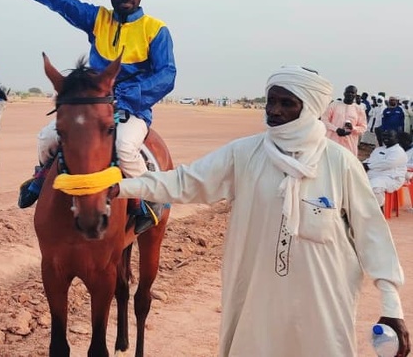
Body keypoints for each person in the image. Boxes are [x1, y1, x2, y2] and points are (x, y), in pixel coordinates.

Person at [114, 66, 408, 356]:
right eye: (271, 101)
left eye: (286, 103)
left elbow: (372, 233)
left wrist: (392, 307)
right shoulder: (244, 153)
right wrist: (121, 188)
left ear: (310, 108)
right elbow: (185, 182)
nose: (274, 110)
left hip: (322, 303)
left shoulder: (340, 163)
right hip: (256, 298)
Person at [7, 0, 176, 233]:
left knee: (123, 146)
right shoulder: (98, 20)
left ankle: (146, 200)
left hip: (133, 110)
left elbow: (166, 75)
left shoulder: (156, 29)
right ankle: (41, 178)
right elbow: (61, 2)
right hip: (94, 106)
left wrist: (123, 97)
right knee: (47, 138)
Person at [364, 128, 408, 208]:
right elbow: (369, 160)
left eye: (389, 136)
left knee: (375, 186)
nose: (386, 139)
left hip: (390, 178)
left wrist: (368, 166)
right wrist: (363, 164)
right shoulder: (378, 149)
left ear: (396, 138)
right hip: (372, 175)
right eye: (384, 136)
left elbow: (388, 164)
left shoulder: (399, 151)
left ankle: (378, 208)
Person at [321, 84, 367, 156]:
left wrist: (353, 128)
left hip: (350, 143)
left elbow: (363, 127)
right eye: (348, 92)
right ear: (344, 93)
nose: (350, 94)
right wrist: (336, 129)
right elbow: (324, 120)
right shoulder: (334, 105)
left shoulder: (359, 109)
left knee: (346, 164)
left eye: (352, 93)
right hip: (332, 140)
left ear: (356, 95)